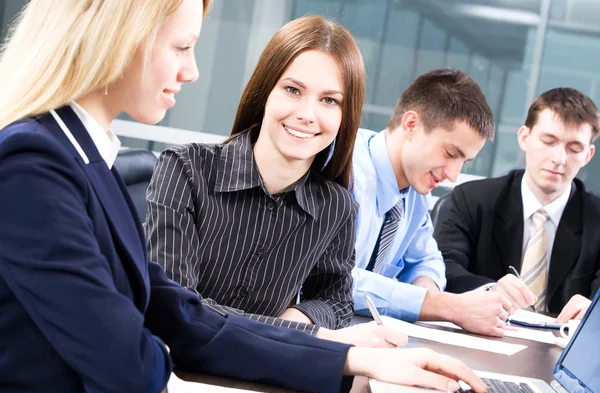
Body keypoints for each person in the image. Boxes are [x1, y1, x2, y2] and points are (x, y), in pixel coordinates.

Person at [0, 1, 488, 393]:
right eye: (182, 46)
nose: (192, 71)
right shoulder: (35, 161)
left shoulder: (89, 159)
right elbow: (130, 361)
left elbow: (177, 312)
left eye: (330, 100)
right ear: (121, 37)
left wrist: (355, 357)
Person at [146, 16, 360, 336]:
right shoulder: (186, 169)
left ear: (346, 115)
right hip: (172, 366)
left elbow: (336, 300)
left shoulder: (336, 207)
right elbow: (175, 308)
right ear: (265, 92)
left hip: (263, 375)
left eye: (329, 100)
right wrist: (288, 332)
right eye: (292, 90)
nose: (307, 114)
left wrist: (300, 318)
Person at [352, 68, 515, 337]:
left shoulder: (414, 193)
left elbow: (427, 261)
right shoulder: (342, 169)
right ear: (411, 125)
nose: (453, 174)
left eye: (464, 162)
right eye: (450, 153)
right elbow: (333, 279)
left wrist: (425, 292)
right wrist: (447, 306)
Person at [435, 88, 600, 323]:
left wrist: (595, 311)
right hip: (482, 337)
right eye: (548, 141)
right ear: (524, 137)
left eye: (574, 149)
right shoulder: (473, 199)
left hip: (559, 347)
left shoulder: (596, 218)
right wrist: (488, 290)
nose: (559, 159)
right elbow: (443, 266)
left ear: (588, 155)